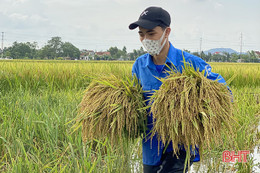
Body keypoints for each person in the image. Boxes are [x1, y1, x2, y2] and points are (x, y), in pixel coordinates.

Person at [129, 6, 228, 173]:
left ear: (167, 32)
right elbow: (134, 103)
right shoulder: (139, 66)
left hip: (181, 146)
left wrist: (197, 105)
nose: (145, 39)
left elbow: (224, 92)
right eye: (141, 34)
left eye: (151, 33)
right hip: (151, 148)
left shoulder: (190, 63)